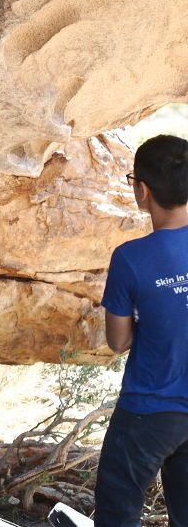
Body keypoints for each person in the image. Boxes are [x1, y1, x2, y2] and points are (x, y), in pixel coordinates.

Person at [96, 134, 188, 526]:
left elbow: (118, 341)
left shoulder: (131, 259)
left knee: (118, 511)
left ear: (142, 189)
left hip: (150, 411)